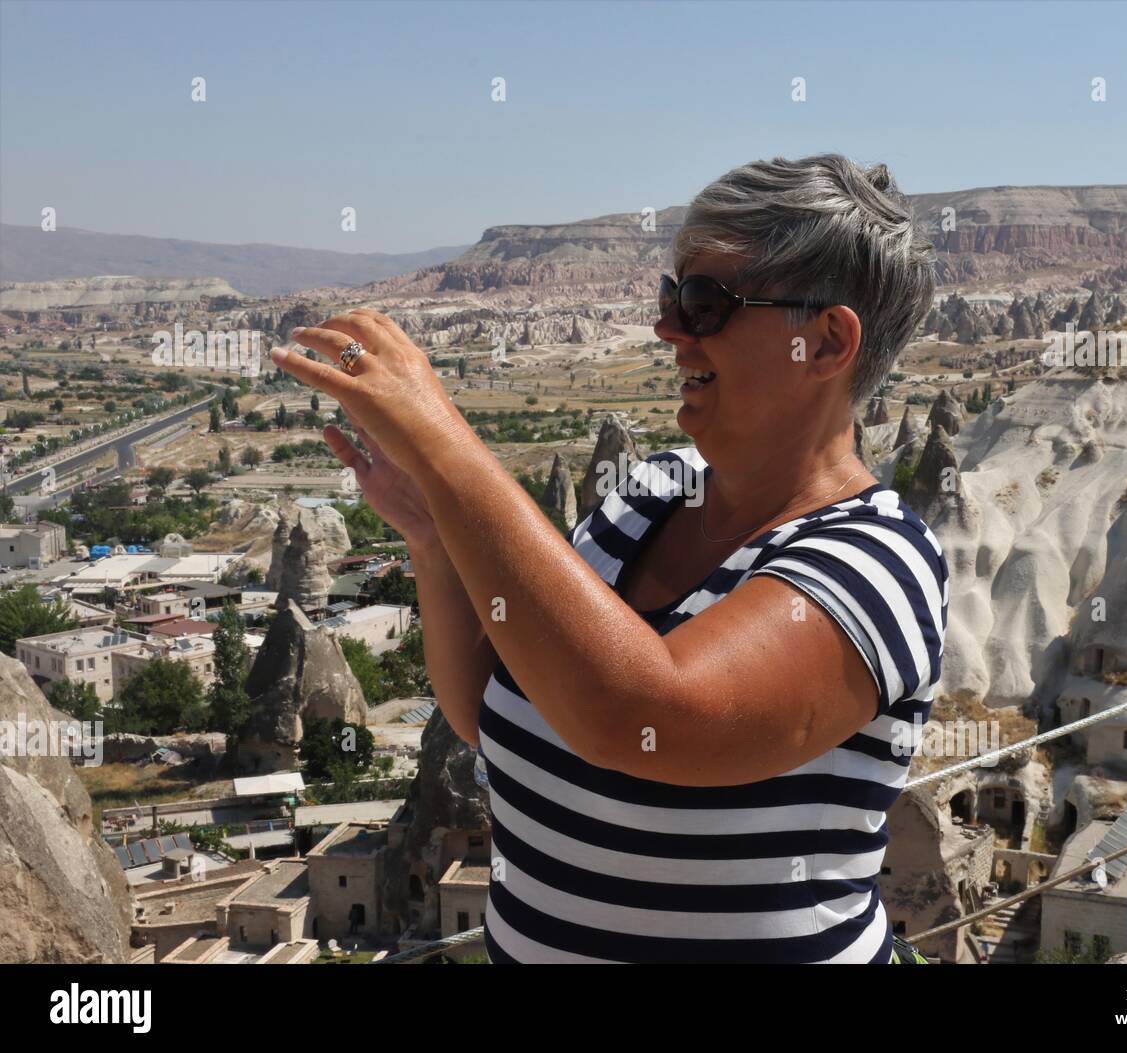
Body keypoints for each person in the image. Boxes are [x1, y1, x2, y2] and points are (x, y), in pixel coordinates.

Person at [271, 152, 948, 963]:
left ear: (829, 342)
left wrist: (444, 439)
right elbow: (496, 706)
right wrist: (432, 535)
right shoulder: (649, 494)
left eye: (705, 303)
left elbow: (644, 712)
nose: (667, 328)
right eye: (672, 295)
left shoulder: (878, 562)